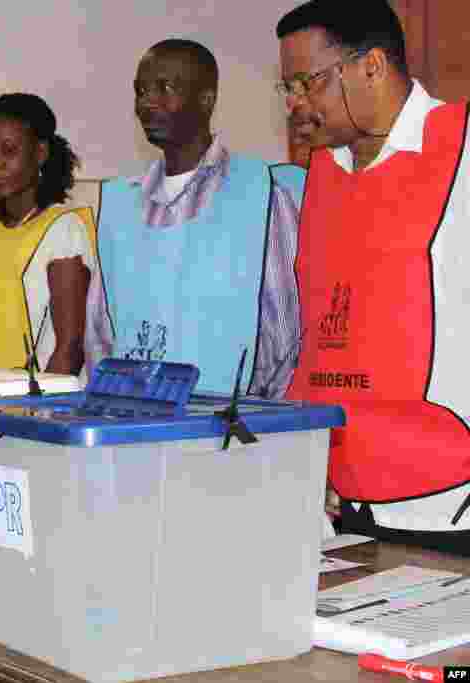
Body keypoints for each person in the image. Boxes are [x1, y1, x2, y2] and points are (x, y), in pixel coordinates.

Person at [277, 0, 470, 555]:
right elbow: (319, 336)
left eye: (306, 82)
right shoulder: (323, 173)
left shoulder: (460, 145)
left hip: (451, 508)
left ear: (372, 66)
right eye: (286, 88)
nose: (295, 104)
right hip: (342, 508)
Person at [84, 39, 306, 397]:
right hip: (131, 427)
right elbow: (100, 333)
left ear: (206, 99)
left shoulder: (261, 193)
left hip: (228, 431)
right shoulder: (119, 205)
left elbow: (285, 334)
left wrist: (250, 414)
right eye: (140, 91)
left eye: (165, 88)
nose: (146, 102)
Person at [0, 93, 96, 375]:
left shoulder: (62, 229)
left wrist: (36, 414)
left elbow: (69, 350)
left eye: (8, 151)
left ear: (40, 153)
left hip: (39, 407)